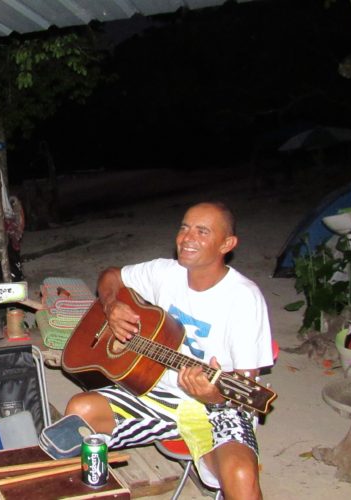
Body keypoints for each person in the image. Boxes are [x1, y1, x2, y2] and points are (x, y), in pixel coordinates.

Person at [65, 201, 273, 500]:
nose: (187, 238)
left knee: (240, 475)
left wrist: (212, 396)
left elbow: (244, 384)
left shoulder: (243, 298)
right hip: (155, 393)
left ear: (227, 243)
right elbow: (111, 275)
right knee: (79, 412)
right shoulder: (164, 271)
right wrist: (110, 306)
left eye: (202, 231)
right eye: (184, 227)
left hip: (217, 404)